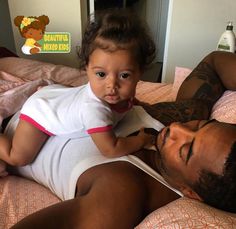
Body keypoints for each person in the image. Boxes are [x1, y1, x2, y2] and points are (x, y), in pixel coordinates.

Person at [8, 50, 236, 229]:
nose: (176, 129)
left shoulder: (123, 193)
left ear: (190, 192)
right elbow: (215, 62)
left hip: (12, 128)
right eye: (198, 126)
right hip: (54, 96)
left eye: (185, 150)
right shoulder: (177, 117)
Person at [0, 9, 155, 174]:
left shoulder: (122, 96)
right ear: (87, 69)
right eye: (101, 74)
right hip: (41, 111)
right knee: (18, 157)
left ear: (140, 73)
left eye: (124, 75)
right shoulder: (94, 110)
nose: (112, 85)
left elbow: (130, 102)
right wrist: (140, 140)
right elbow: (111, 149)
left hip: (56, 95)